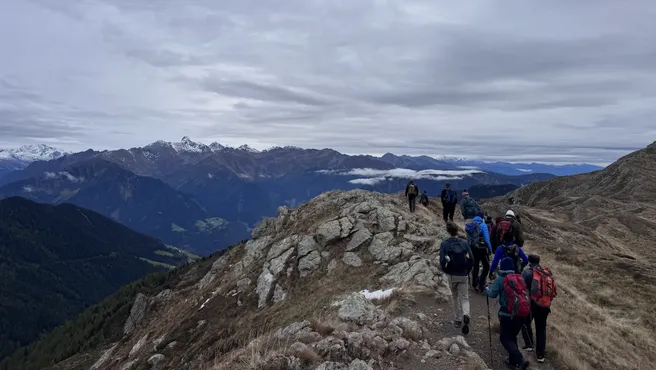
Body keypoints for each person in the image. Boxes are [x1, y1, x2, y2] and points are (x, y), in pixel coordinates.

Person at [485, 257, 531, 370]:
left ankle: (520, 359)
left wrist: (486, 289)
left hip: (507, 314)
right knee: (512, 337)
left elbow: (492, 294)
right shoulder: (518, 278)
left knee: (505, 338)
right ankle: (513, 363)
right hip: (520, 314)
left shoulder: (501, 279)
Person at [440, 222, 474, 335]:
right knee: (465, 297)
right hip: (463, 274)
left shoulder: (445, 244)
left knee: (454, 296)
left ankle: (458, 319)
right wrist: (467, 270)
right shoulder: (464, 243)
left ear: (448, 231)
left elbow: (441, 261)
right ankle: (466, 314)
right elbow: (472, 259)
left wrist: (446, 270)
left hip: (451, 274)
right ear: (457, 230)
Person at [521, 254, 556, 363]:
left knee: (525, 322)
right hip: (545, 305)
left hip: (532, 304)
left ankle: (529, 344)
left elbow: (521, 287)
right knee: (541, 329)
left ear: (529, 261)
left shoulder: (527, 273)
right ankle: (540, 355)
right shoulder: (545, 274)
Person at [464, 215, 492, 293]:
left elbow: (468, 239)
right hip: (482, 249)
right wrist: (490, 249)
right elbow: (486, 238)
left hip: (473, 249)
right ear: (482, 219)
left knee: (475, 266)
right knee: (486, 266)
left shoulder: (470, 226)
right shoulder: (483, 225)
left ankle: (474, 284)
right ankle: (481, 284)